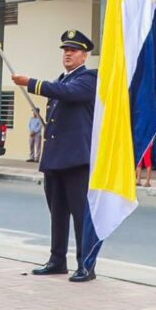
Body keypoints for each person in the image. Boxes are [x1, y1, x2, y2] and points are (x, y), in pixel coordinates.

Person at [12, 29, 98, 283]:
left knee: (81, 215)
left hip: (76, 160)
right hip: (56, 159)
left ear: (85, 55)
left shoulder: (90, 78)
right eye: (65, 50)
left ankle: (86, 264)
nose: (68, 54)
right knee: (57, 213)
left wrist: (31, 82)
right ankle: (57, 260)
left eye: (73, 50)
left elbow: (68, 93)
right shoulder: (62, 80)